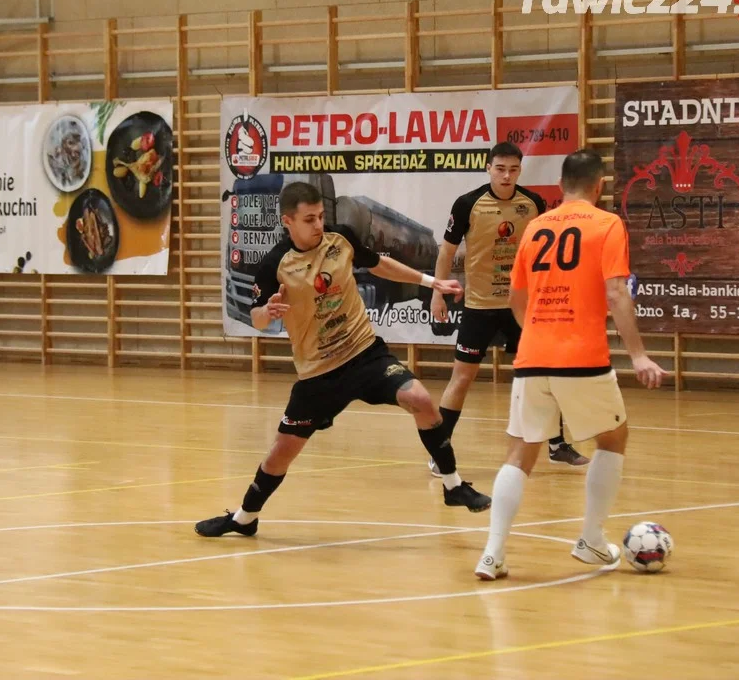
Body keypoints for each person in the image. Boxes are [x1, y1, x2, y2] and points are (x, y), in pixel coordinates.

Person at [196, 182, 491, 537]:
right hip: (319, 374)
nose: (319, 225)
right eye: (309, 219)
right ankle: (244, 519)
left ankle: (453, 485)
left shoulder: (341, 239)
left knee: (420, 400)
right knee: (280, 453)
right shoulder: (276, 263)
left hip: (364, 353)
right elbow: (256, 314)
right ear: (288, 221)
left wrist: (432, 282)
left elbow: (380, 265)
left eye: (321, 216)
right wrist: (267, 312)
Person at [474, 149, 666, 580]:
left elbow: (516, 300)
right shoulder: (607, 224)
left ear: (562, 186)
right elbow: (617, 293)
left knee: (520, 454)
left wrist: (540, 329)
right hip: (582, 357)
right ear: (600, 186)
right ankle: (592, 540)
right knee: (613, 438)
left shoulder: (537, 225)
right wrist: (637, 354)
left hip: (532, 355)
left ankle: (492, 554)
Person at [428, 142, 588, 477]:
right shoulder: (468, 204)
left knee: (542, 374)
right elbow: (446, 252)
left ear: (519, 171)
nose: (506, 175)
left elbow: (545, 253)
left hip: (521, 306)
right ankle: (439, 451)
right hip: (479, 307)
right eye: (500, 168)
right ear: (489, 168)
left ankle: (557, 445)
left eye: (513, 169)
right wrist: (437, 293)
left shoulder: (532, 204)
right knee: (462, 378)